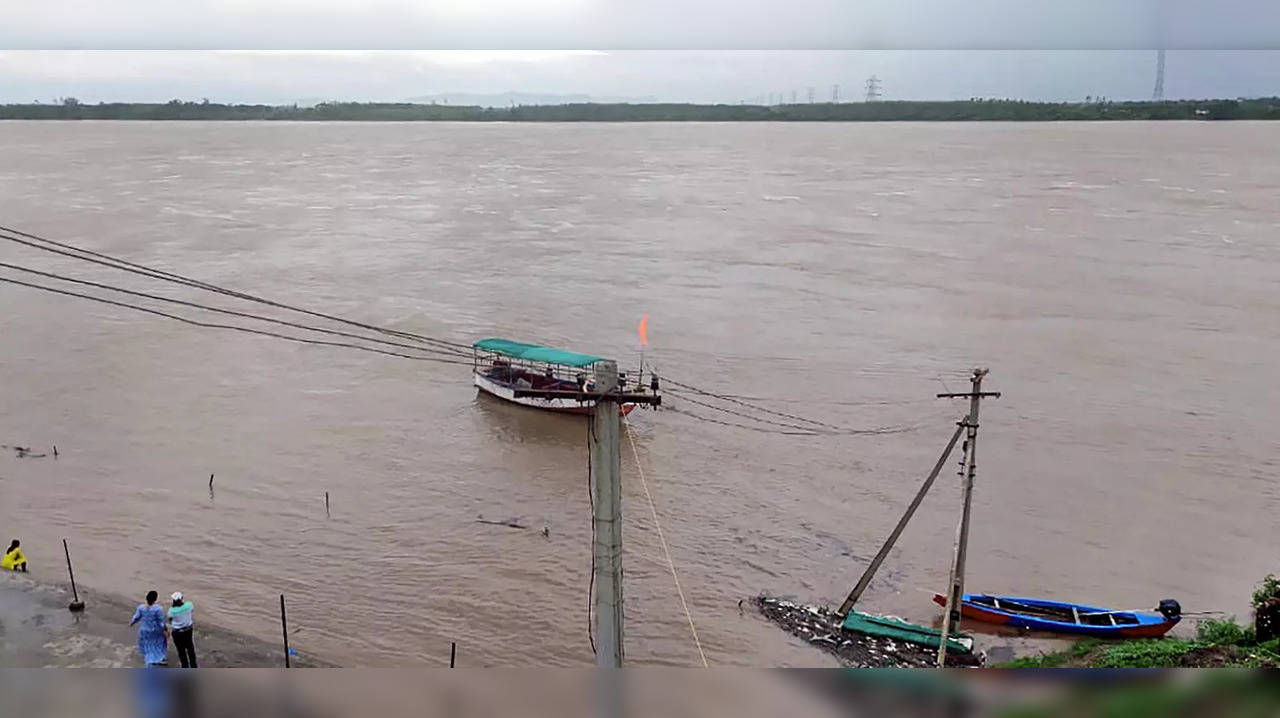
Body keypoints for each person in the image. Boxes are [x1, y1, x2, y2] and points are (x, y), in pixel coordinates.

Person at [129, 590, 169, 666]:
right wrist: (165, 629)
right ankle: (160, 659)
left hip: (144, 630)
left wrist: (132, 623)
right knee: (158, 644)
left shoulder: (141, 608)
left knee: (148, 645)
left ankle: (151, 658)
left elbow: (136, 617)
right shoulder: (158, 609)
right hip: (155, 630)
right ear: (155, 599)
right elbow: (161, 622)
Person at [167, 591, 197, 668]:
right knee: (190, 648)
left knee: (181, 651)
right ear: (182, 598)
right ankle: (194, 666)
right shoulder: (189, 605)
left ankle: (185, 666)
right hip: (188, 630)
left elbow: (170, 619)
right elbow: (191, 610)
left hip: (177, 632)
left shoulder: (172, 611)